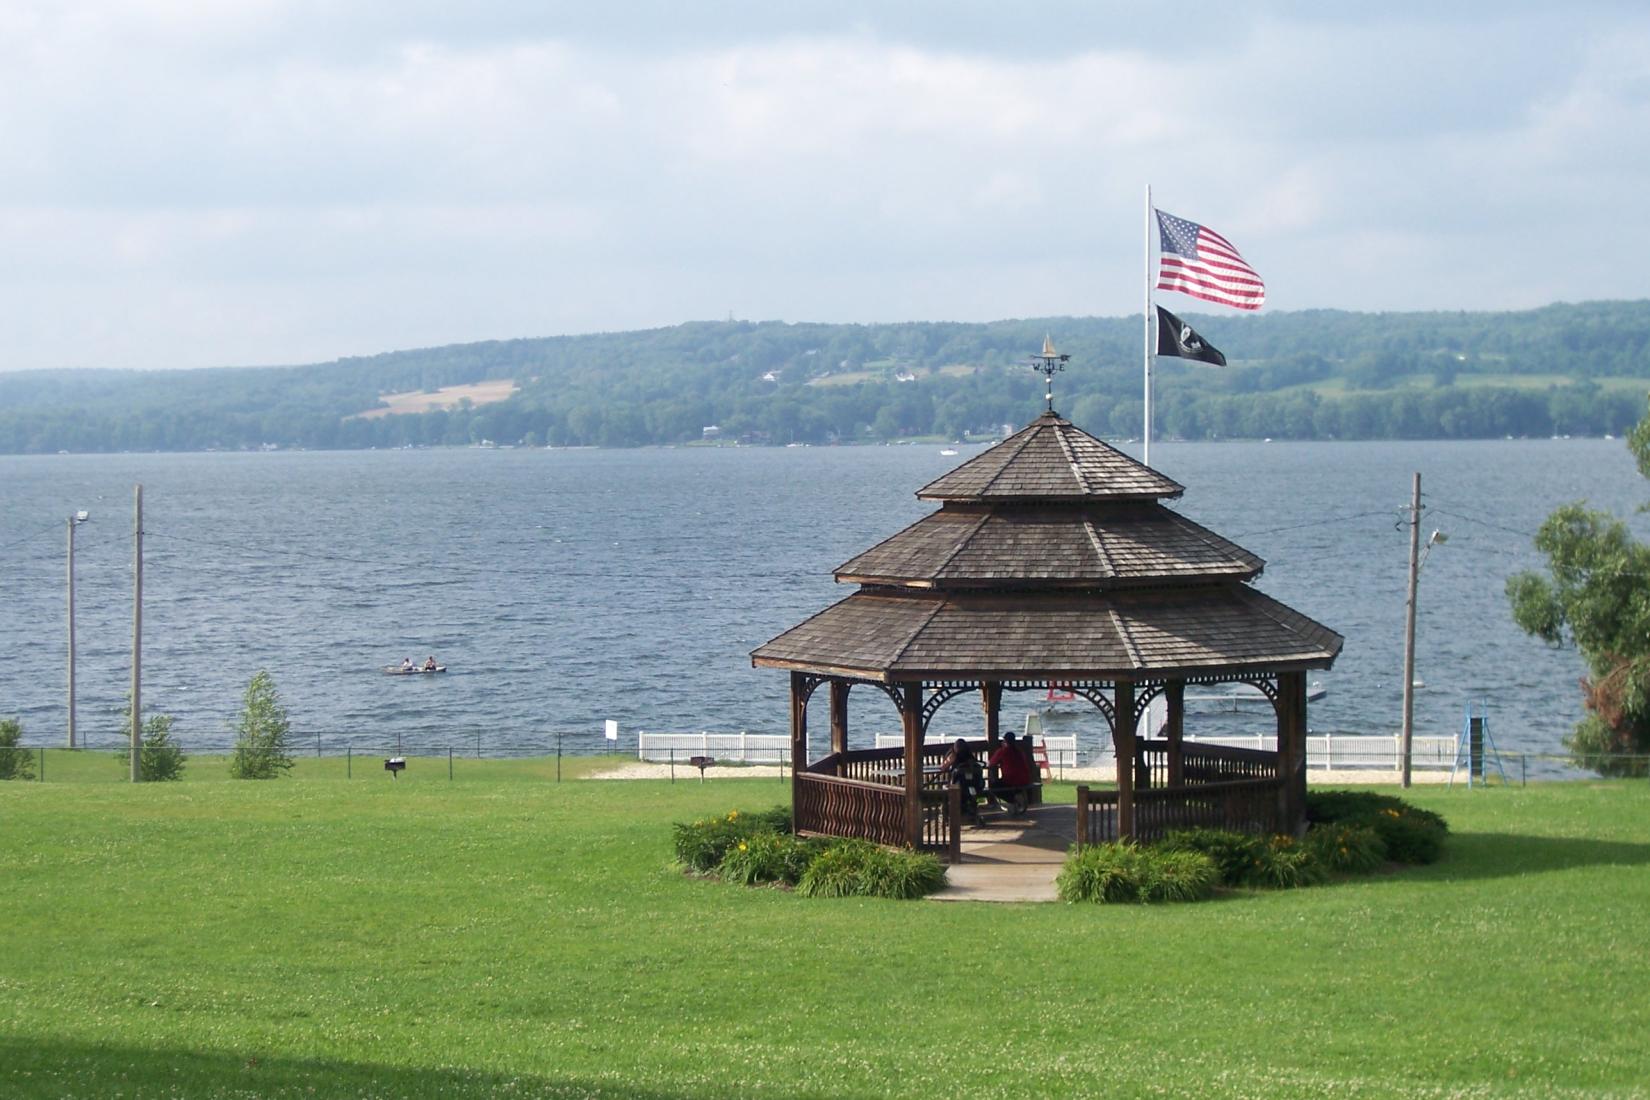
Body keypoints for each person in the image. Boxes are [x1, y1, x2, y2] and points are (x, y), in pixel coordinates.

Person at [938, 738, 985, 823]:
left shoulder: (954, 757)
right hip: (975, 787)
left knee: (944, 789)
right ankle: (970, 811)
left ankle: (945, 814)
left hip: (957, 788)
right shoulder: (971, 760)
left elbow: (942, 768)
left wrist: (949, 760)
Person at [989, 732, 1034, 815]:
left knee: (993, 786)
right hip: (1025, 779)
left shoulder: (1002, 751)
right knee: (1008, 784)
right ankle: (1016, 798)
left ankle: (1012, 800)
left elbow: (991, 763)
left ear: (1005, 741)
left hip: (1010, 780)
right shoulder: (1019, 751)